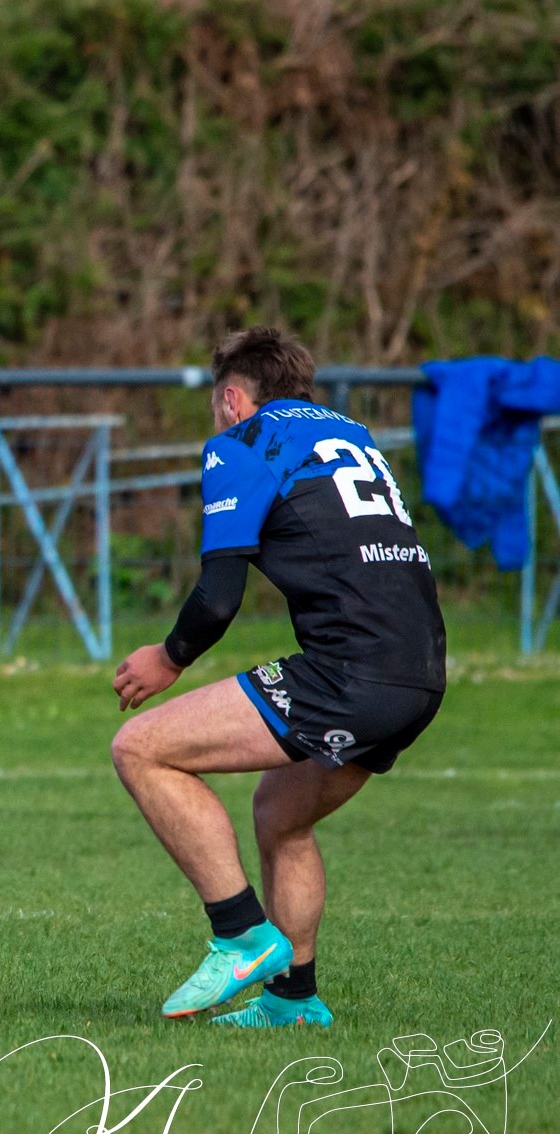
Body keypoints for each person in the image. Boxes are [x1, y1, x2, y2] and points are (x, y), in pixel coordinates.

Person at [110, 327, 446, 1029]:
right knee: (281, 814)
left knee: (141, 748)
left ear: (233, 398)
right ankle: (295, 999)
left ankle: (239, 934)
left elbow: (219, 597)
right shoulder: (348, 433)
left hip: (350, 670)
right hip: (420, 672)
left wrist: (166, 658)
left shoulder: (244, 441)